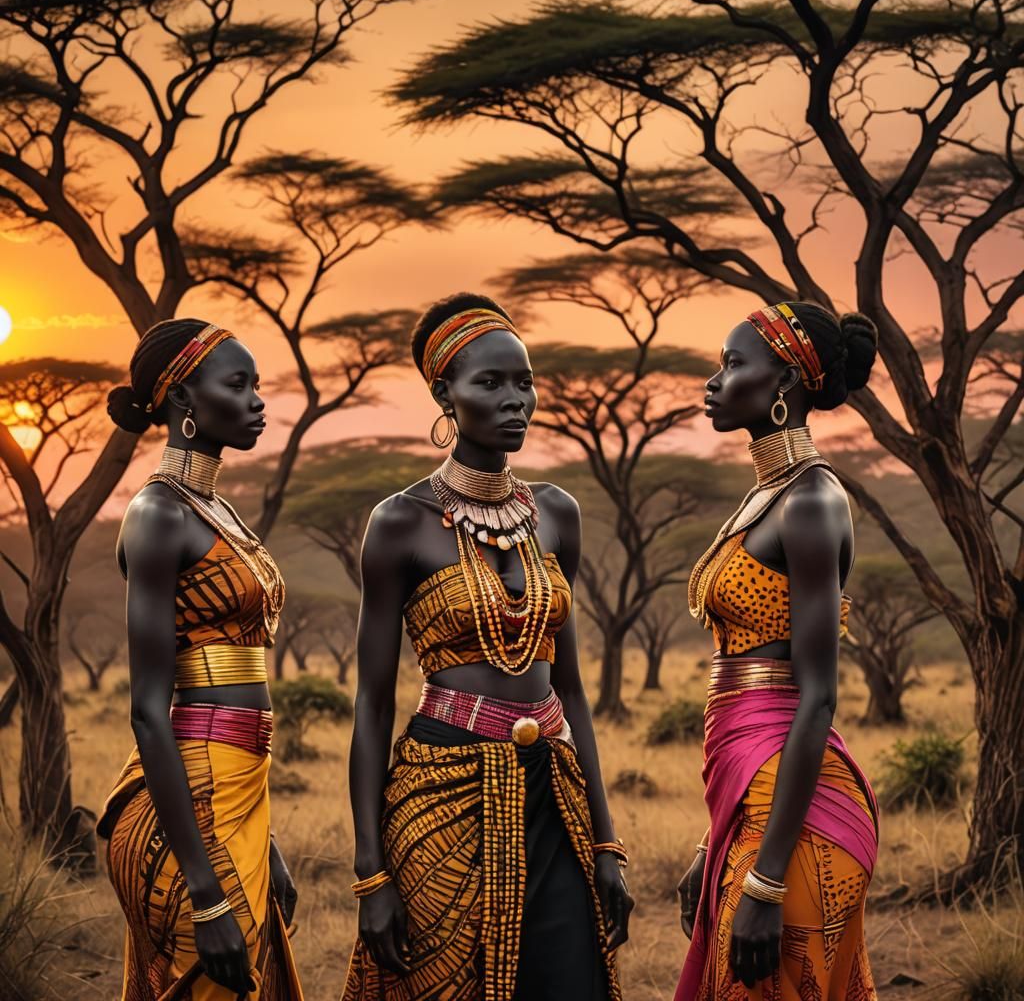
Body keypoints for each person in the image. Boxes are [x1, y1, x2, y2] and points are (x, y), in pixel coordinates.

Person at [342, 294, 632, 1001]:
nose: (516, 402)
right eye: (491, 384)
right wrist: (372, 873)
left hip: (553, 793)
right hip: (441, 792)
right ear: (446, 394)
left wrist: (605, 841)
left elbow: (573, 692)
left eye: (525, 383)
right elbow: (373, 705)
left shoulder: (557, 513)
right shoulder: (400, 523)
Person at [675, 302, 881, 1000]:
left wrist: (763, 879)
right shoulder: (768, 495)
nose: (715, 380)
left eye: (734, 365)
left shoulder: (811, 502)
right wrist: (714, 845)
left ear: (784, 384)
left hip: (793, 796)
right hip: (747, 786)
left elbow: (817, 695)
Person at [99, 319, 303, 1001]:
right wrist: (206, 892)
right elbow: (149, 714)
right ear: (186, 397)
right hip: (197, 792)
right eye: (237, 384)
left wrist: (266, 842)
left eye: (257, 385)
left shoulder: (214, 510)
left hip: (243, 784)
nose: (257, 401)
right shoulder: (158, 514)